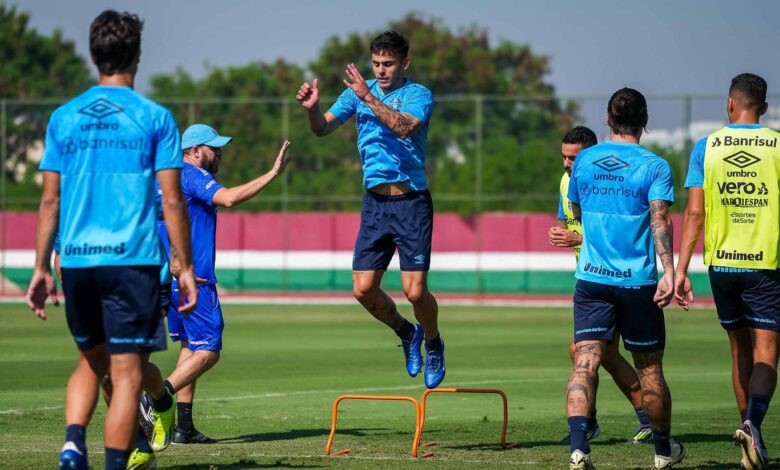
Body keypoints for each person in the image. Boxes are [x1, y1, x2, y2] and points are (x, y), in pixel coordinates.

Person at [25, 10, 197, 470]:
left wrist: (41, 267)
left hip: (76, 261)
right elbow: (173, 200)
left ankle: (72, 443)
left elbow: (48, 203)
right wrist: (185, 266)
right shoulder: (155, 118)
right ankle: (117, 464)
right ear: (137, 56)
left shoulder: (64, 118)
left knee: (88, 362)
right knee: (125, 376)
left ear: (92, 54)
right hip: (133, 262)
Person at [296, 30, 444, 388]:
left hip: (411, 203)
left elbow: (405, 127)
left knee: (414, 292)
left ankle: (433, 342)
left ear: (404, 63)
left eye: (388, 64)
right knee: (362, 289)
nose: (380, 70)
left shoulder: (417, 94)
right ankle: (407, 333)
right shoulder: (356, 94)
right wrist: (313, 109)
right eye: (376, 63)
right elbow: (322, 129)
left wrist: (368, 97)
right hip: (375, 204)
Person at [564, 88, 683, 470]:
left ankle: (579, 450)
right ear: (645, 120)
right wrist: (670, 272)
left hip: (592, 279)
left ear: (607, 119)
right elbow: (660, 221)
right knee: (650, 369)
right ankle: (663, 452)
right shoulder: (655, 165)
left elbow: (576, 209)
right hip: (638, 282)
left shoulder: (584, 162)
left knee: (584, 362)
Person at [152, 124, 291, 444]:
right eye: (214, 148)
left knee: (191, 348)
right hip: (195, 279)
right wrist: (272, 174)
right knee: (210, 350)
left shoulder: (164, 178)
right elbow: (228, 198)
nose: (220, 153)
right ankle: (157, 399)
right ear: (195, 151)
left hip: (168, 277)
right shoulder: (191, 174)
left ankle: (183, 428)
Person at [675, 73, 779, 470]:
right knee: (766, 351)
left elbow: (695, 212)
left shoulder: (706, 147)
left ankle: (750, 438)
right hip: (765, 264)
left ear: (730, 104)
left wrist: (681, 270)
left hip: (721, 265)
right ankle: (753, 424)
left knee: (738, 349)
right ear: (764, 109)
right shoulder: (778, 146)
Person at [548, 126, 651, 445]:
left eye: (573, 158)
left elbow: (616, 235)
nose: (567, 164)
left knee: (587, 352)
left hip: (619, 277)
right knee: (598, 353)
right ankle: (637, 417)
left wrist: (578, 238)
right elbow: (565, 221)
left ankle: (628, 418)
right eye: (564, 157)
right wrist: (561, 234)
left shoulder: (607, 181)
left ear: (590, 155)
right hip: (590, 279)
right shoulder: (567, 181)